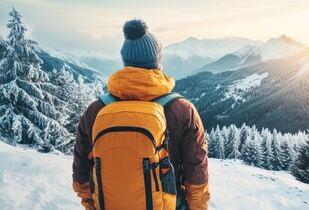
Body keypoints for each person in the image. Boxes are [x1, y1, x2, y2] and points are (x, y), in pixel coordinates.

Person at [72, 19, 210, 210]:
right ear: (157, 61)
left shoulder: (96, 110)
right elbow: (196, 177)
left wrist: (92, 206)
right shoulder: (182, 110)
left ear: (125, 62)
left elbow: (81, 174)